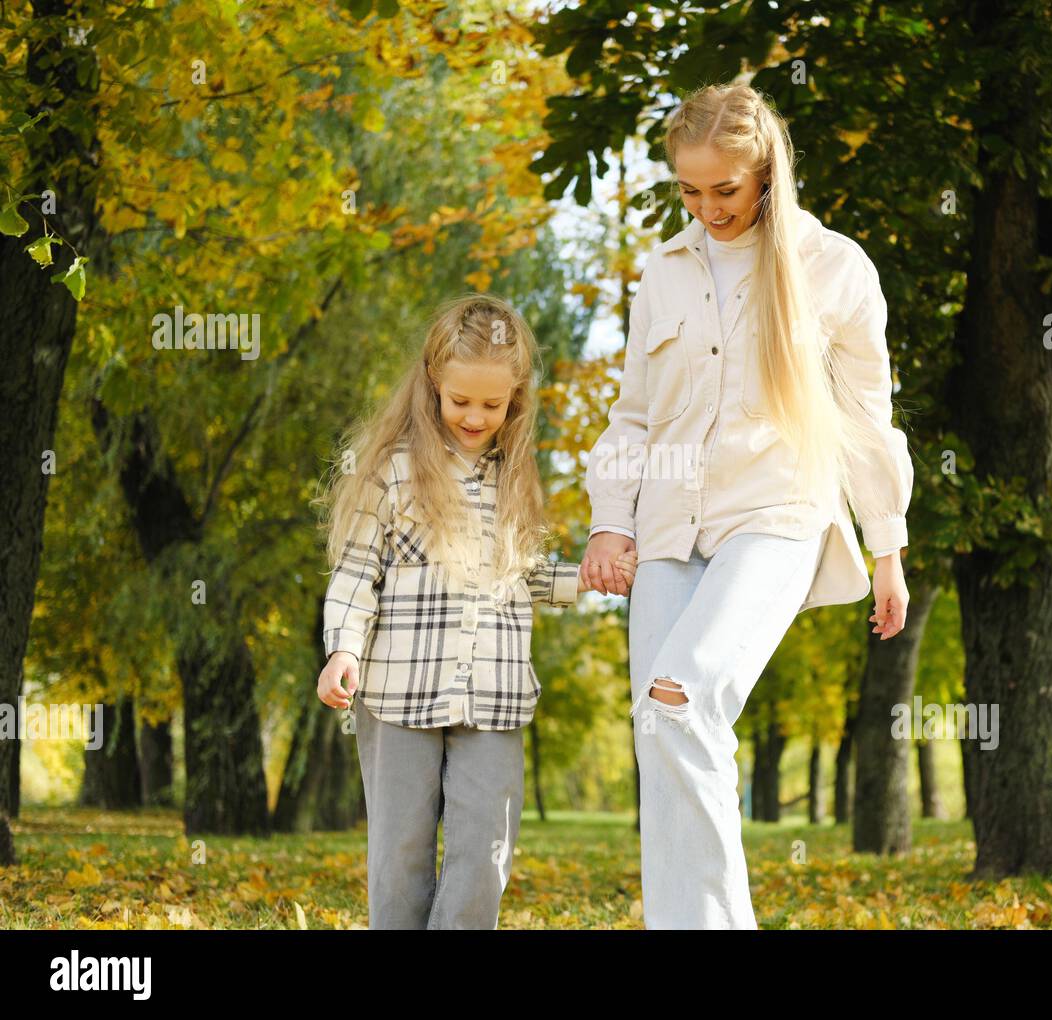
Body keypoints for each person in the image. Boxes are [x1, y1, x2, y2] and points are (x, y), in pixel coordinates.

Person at [581, 84, 914, 929]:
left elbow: (867, 418)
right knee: (662, 737)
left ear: (766, 172)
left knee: (681, 696)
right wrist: (609, 520)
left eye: (724, 189)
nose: (707, 208)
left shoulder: (835, 268)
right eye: (689, 191)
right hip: (667, 526)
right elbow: (634, 412)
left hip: (776, 516)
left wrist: (887, 547)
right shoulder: (663, 272)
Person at [315, 294, 636, 929]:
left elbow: (520, 575)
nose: (475, 416)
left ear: (514, 398)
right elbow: (356, 571)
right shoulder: (392, 471)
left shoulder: (513, 476)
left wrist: (587, 579)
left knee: (487, 846)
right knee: (400, 849)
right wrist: (342, 649)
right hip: (399, 691)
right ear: (434, 380)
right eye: (461, 400)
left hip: (494, 694)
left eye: (493, 405)